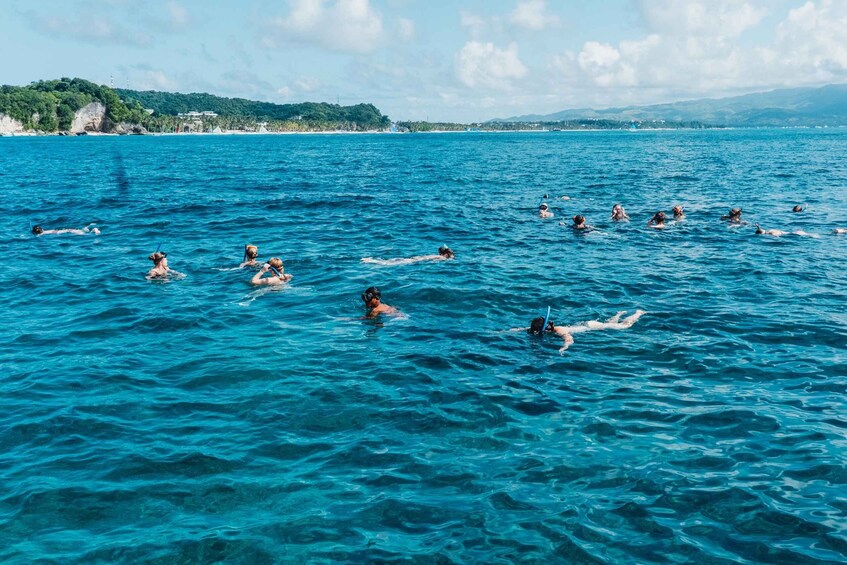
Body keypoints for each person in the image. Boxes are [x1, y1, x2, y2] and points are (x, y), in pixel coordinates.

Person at [525, 310, 646, 353]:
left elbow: (569, 339)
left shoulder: (559, 331)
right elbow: (527, 329)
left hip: (592, 327)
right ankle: (618, 314)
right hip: (588, 324)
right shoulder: (549, 329)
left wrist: (563, 348)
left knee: (626, 326)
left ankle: (638, 313)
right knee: (609, 325)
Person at [361, 246, 455, 266]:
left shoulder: (438, 256)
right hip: (417, 260)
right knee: (388, 264)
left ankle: (372, 260)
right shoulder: (441, 258)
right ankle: (372, 261)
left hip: (418, 258)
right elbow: (451, 258)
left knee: (392, 261)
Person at [32, 224, 100, 236]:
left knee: (85, 234)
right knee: (82, 231)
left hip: (68, 231)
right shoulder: (45, 231)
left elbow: (38, 235)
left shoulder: (42, 233)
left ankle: (94, 230)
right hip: (67, 230)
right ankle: (92, 229)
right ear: (42, 229)